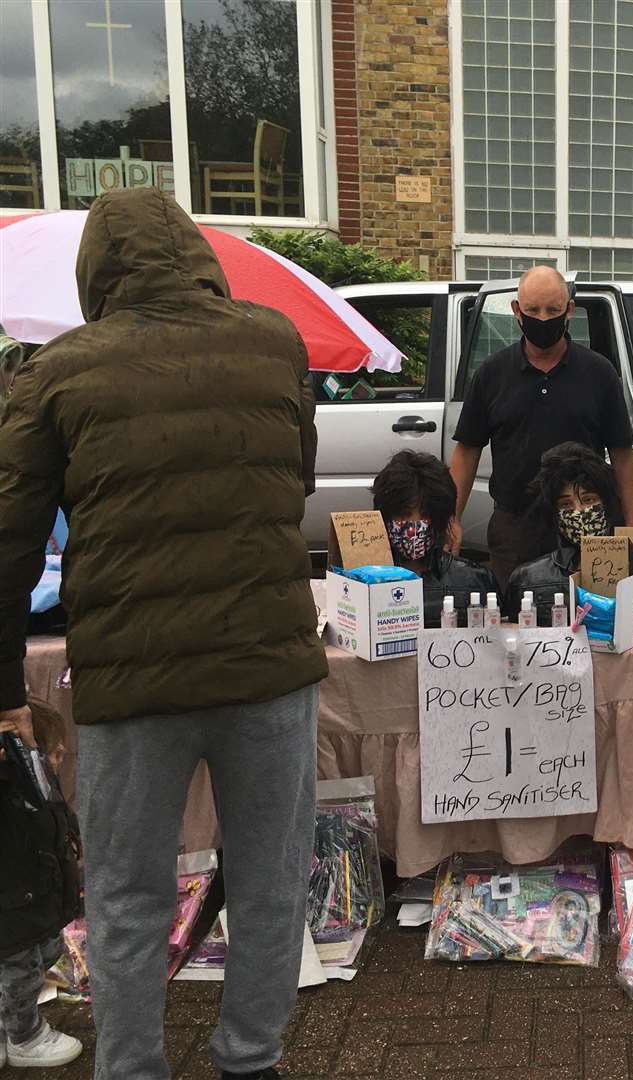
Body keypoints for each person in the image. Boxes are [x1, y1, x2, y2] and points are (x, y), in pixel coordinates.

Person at [0, 187, 329, 1080]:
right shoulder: (275, 342)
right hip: (267, 662)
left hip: (131, 678)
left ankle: (134, 1068)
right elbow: (293, 481)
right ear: (198, 255)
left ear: (94, 272)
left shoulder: (56, 372)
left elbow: (11, 541)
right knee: (267, 883)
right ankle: (250, 1060)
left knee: (127, 897)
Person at [448, 266, 633, 584]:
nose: (543, 318)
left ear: (569, 311)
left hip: (584, 525)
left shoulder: (599, 373)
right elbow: (466, 452)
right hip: (514, 528)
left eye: (552, 310)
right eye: (533, 310)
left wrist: (631, 526)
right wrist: (451, 519)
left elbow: (622, 455)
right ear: (516, 312)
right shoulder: (492, 374)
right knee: (514, 618)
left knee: (593, 620)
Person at [506, 442, 633, 625]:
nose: (579, 511)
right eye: (566, 505)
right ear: (555, 514)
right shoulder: (528, 579)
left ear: (606, 503)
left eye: (588, 500)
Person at [0, 698, 82, 1069]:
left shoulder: (42, 796)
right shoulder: (16, 803)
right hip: (17, 910)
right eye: (49, 751)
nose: (61, 752)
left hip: (39, 905)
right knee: (22, 972)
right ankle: (24, 1035)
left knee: (43, 957)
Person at [372, 450, 500, 627]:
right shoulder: (367, 580)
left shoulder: (474, 581)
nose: (413, 525)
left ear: (442, 517)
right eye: (403, 515)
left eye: (424, 515)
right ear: (385, 518)